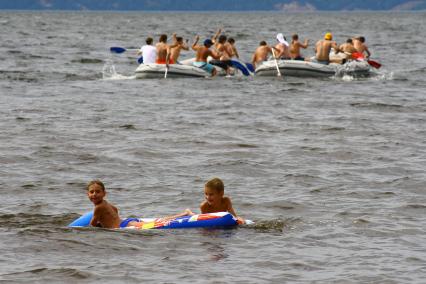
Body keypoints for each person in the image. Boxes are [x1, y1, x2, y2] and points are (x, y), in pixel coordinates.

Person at [86, 180, 194, 229]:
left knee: (158, 224)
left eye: (98, 192)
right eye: (91, 192)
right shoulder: (106, 203)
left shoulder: (99, 207)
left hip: (125, 225)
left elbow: (92, 225)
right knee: (159, 221)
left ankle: (186, 214)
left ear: (104, 193)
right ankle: (185, 213)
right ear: (88, 194)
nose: (94, 194)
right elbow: (115, 210)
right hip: (126, 222)